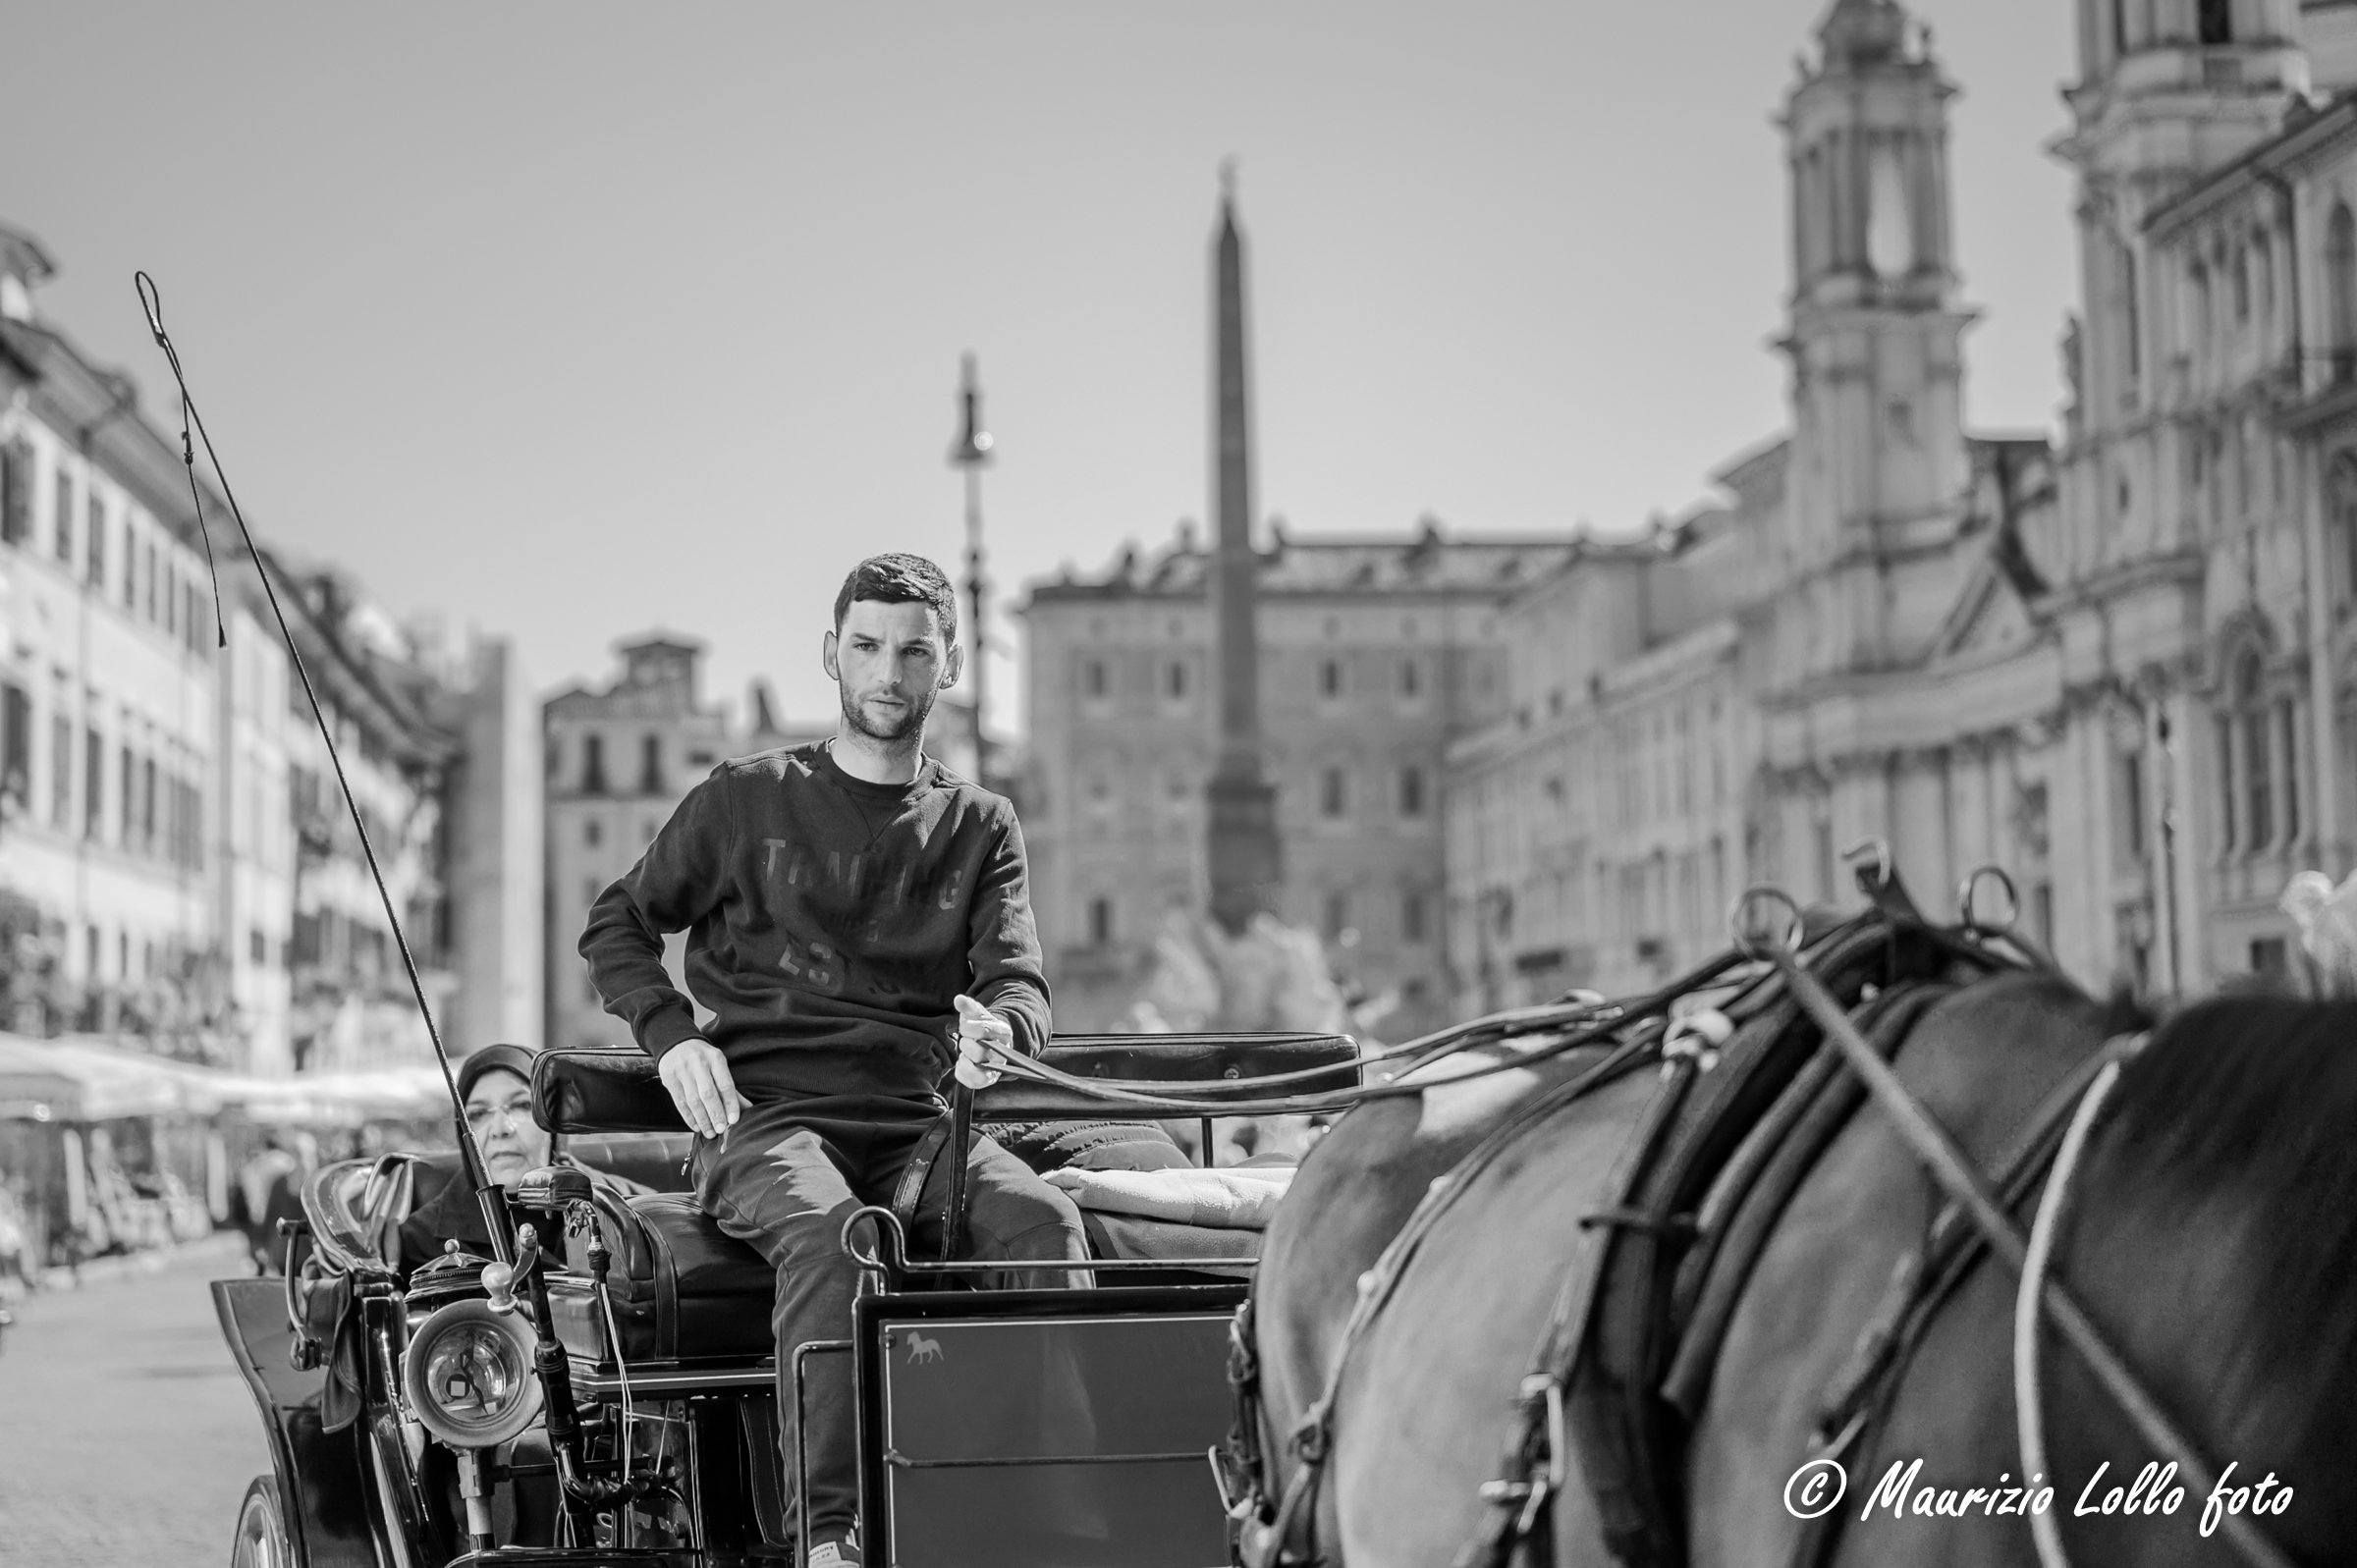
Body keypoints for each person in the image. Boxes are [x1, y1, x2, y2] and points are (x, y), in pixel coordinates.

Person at [580, 552, 1090, 1568]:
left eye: (913, 650)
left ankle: (1070, 1518)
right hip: (768, 1122)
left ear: (946, 667)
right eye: (867, 646)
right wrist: (671, 1034)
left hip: (921, 1127)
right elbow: (618, 923)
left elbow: (1020, 984)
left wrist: (1004, 1029)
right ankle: (830, 1538)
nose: (888, 671)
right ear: (832, 656)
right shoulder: (743, 800)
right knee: (834, 1235)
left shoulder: (981, 825)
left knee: (1046, 1219)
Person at [396, 1043, 644, 1274]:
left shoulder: (631, 1206)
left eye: (522, 1105)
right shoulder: (422, 1240)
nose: (500, 1128)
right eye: (479, 1113)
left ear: (554, 1119)